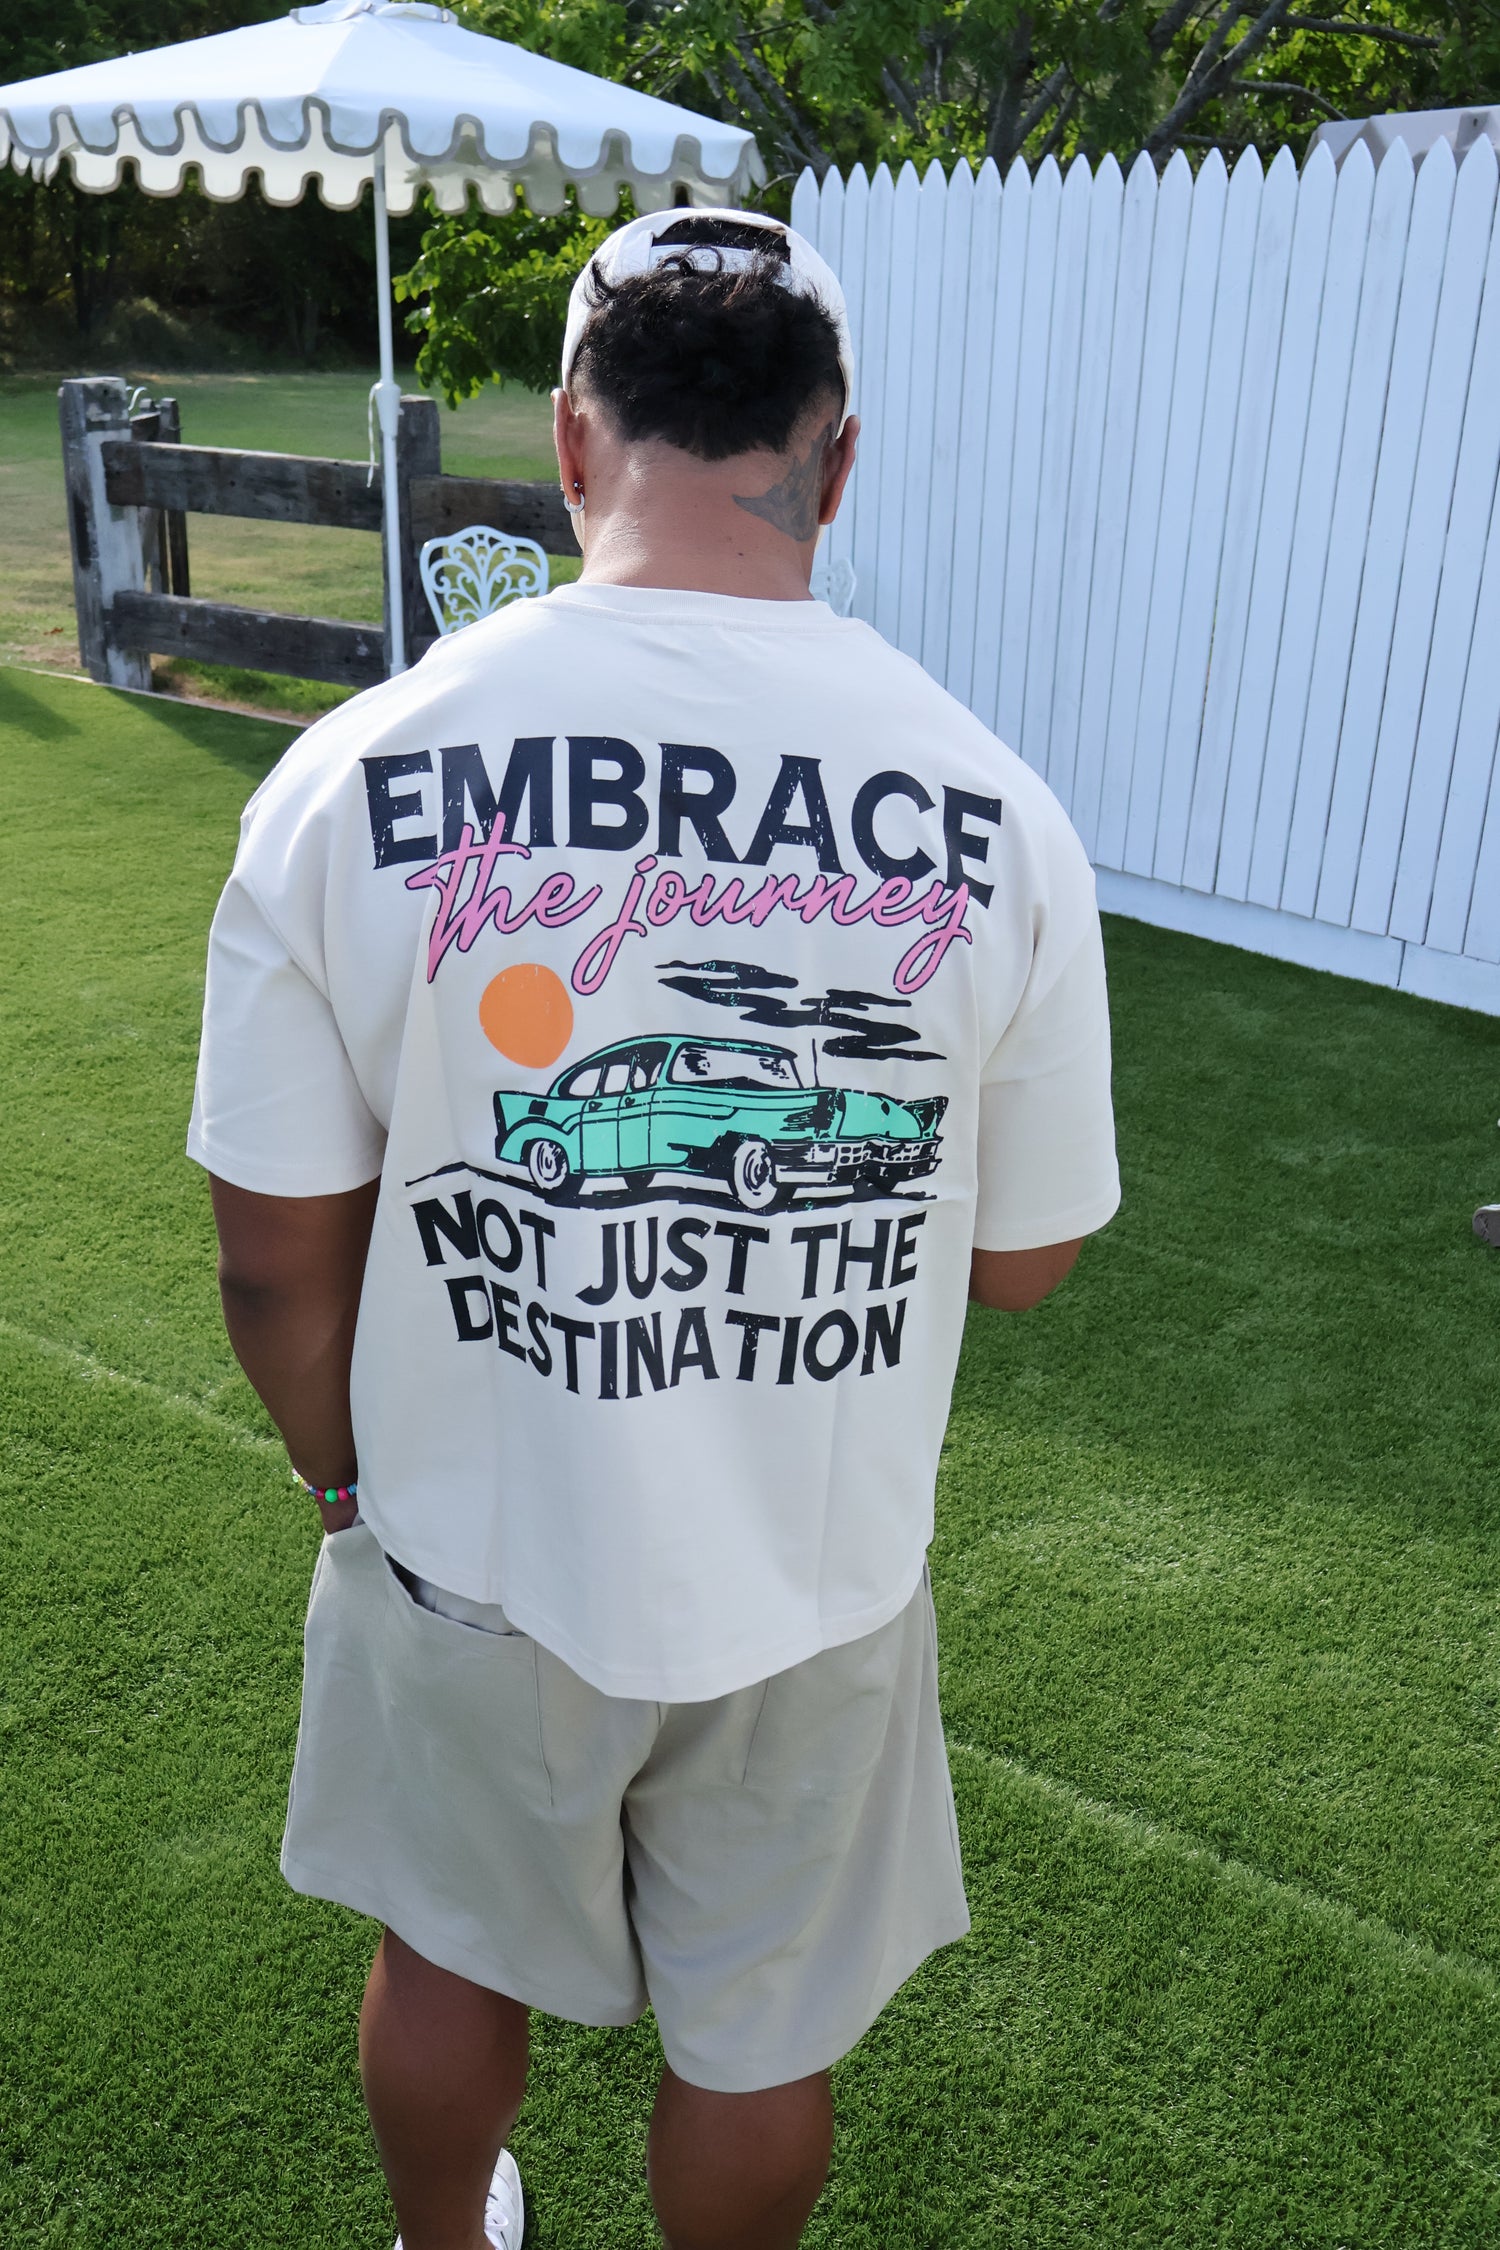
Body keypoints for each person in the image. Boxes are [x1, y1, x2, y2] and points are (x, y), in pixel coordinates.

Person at [189, 207, 1121, 2250]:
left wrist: (344, 1481)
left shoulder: (355, 775)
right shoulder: (998, 810)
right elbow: (1033, 1260)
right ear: (837, 457)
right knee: (759, 2043)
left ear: (569, 440)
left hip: (465, 1546)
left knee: (446, 1952)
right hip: (820, 1570)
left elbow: (272, 1251)